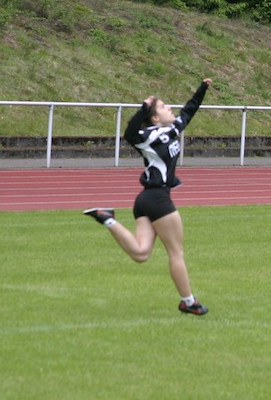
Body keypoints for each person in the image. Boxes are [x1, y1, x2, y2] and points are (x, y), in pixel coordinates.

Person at [84, 78, 213, 316]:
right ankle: (188, 301)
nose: (170, 109)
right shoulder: (147, 135)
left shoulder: (172, 128)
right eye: (164, 107)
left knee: (141, 254)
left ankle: (107, 218)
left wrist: (202, 88)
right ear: (155, 117)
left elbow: (189, 110)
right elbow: (130, 134)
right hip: (158, 200)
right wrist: (143, 108)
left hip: (145, 200)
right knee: (176, 253)